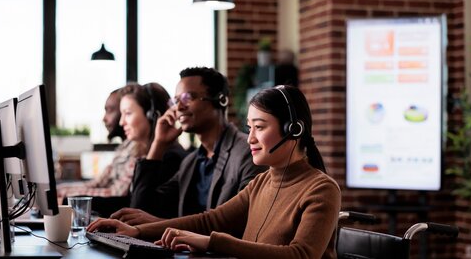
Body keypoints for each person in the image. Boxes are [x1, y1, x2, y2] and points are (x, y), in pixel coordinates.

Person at [88, 85, 341, 259]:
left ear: (293, 129)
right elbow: (210, 220)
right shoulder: (262, 182)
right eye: (249, 127)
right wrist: (137, 231)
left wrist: (211, 242)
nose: (250, 137)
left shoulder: (322, 189)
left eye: (260, 127)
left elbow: (301, 255)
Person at [110, 67, 266, 224]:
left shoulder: (248, 153)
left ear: (220, 100)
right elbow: (140, 209)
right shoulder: (190, 163)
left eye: (187, 98)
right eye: (177, 100)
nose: (179, 108)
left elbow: (238, 223)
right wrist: (158, 145)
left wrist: (164, 226)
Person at [57, 83, 185, 216]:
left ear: (151, 116)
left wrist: (69, 200)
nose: (121, 122)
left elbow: (137, 209)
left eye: (128, 113)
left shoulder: (171, 158)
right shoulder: (140, 150)